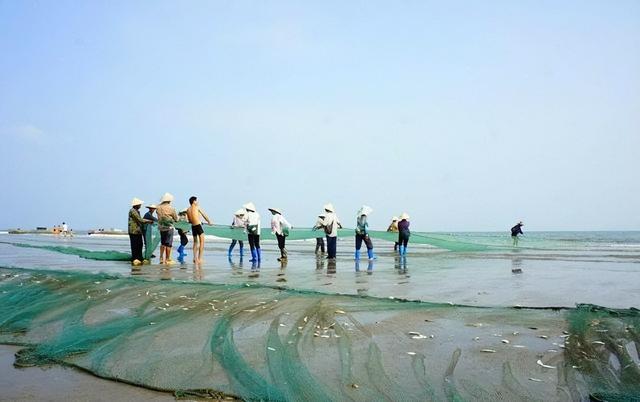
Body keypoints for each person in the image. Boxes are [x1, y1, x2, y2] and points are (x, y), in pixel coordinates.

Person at [186, 196, 213, 264]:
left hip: (193, 226)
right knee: (202, 242)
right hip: (198, 226)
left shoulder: (188, 209)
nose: (197, 202)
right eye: (196, 201)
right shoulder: (197, 207)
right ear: (194, 201)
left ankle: (195, 258)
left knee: (195, 242)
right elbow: (204, 215)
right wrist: (209, 221)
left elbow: (189, 220)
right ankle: (200, 259)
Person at [156, 193, 178, 265]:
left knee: (163, 243)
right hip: (169, 228)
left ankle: (161, 257)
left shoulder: (158, 208)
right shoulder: (171, 209)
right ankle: (168, 259)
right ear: (169, 200)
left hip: (161, 228)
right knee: (169, 244)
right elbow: (176, 219)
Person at [128, 198, 151, 266]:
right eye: (139, 204)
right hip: (133, 231)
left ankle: (139, 258)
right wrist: (148, 221)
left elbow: (140, 220)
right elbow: (139, 220)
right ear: (136, 204)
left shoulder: (137, 211)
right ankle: (135, 258)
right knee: (135, 245)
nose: (140, 205)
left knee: (139, 244)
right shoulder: (133, 211)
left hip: (138, 231)